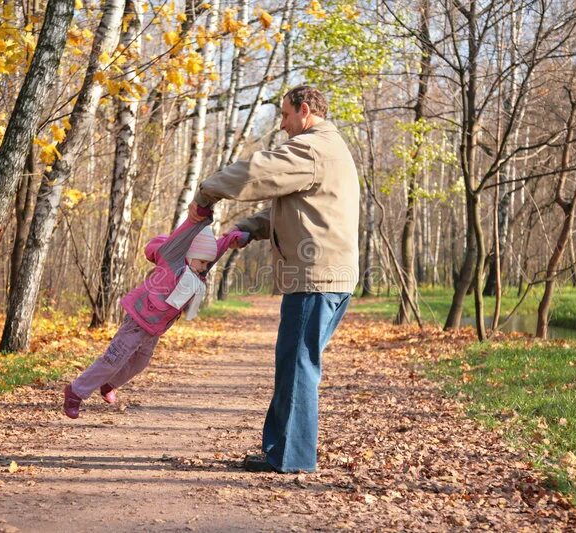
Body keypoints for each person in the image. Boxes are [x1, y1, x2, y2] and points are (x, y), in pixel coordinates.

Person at [189, 85, 360, 473]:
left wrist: (207, 193)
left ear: (304, 111)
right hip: (327, 275)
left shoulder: (313, 147)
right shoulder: (327, 149)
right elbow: (300, 208)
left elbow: (259, 171)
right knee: (293, 363)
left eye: (284, 116)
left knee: (298, 365)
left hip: (316, 277)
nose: (282, 125)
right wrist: (250, 227)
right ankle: (281, 451)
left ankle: (291, 458)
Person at [63, 209, 248, 418]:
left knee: (140, 363)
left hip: (155, 328)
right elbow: (182, 236)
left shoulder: (197, 268)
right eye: (203, 262)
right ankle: (76, 392)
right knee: (114, 358)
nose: (205, 268)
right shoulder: (173, 260)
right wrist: (198, 217)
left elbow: (217, 249)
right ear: (189, 256)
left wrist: (233, 238)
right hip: (138, 319)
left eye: (207, 263)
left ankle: (108, 384)